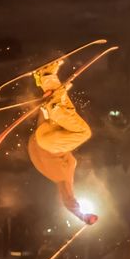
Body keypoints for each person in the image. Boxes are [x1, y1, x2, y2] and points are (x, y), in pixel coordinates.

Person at [28, 62, 98, 224]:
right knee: (63, 113)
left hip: (45, 142)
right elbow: (43, 134)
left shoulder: (64, 180)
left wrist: (83, 216)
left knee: (83, 132)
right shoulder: (54, 169)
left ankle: (53, 100)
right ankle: (47, 77)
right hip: (40, 137)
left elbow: (68, 201)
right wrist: (44, 110)